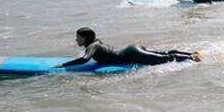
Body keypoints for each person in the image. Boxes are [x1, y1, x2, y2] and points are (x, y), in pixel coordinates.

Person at [57, 27, 202, 68]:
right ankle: (192, 53)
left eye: (78, 37)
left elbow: (84, 60)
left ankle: (192, 57)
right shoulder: (96, 43)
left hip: (132, 55)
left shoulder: (92, 46)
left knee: (166, 59)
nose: (76, 40)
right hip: (132, 49)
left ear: (84, 38)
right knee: (165, 53)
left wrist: (63, 65)